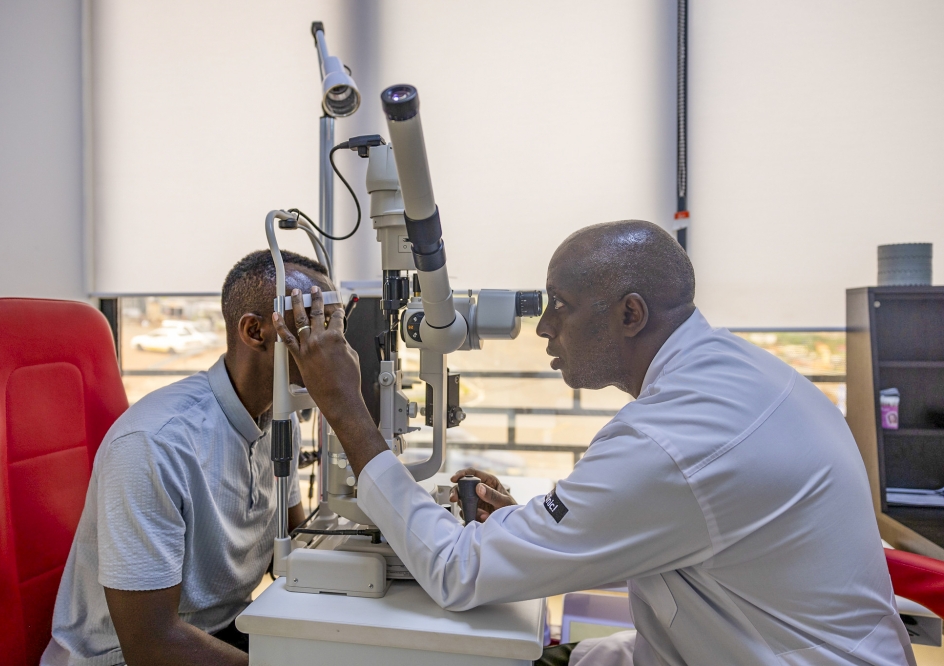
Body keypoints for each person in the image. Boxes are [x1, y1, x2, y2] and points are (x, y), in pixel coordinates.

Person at [276, 220, 915, 666]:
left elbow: (458, 572)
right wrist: (535, 529)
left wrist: (345, 408)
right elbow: (667, 515)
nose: (545, 327)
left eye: (561, 305)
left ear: (630, 314)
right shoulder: (735, 375)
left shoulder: (672, 442)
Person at [42, 249, 335, 666]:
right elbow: (151, 645)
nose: (331, 346)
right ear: (255, 332)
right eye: (314, 325)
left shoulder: (277, 419)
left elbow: (297, 552)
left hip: (226, 633)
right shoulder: (155, 444)